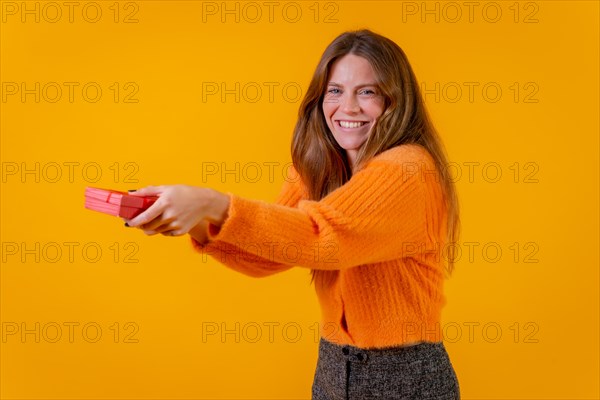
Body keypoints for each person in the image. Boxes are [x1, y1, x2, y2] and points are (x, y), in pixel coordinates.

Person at [125, 29, 461, 400]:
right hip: (334, 368)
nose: (348, 107)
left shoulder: (408, 169)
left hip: (403, 377)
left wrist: (211, 203)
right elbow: (271, 250)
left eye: (367, 92)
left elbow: (319, 237)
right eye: (335, 91)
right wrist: (198, 222)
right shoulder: (319, 169)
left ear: (396, 102)